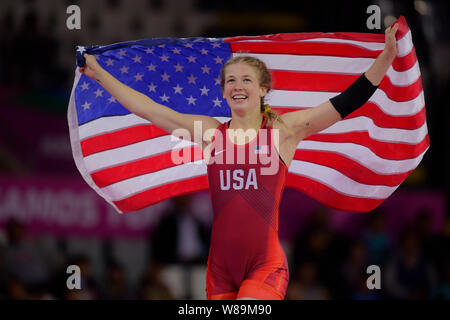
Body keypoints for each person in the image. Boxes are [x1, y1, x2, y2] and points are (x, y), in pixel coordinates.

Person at [79, 24, 399, 300]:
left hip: (266, 265)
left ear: (262, 89)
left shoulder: (283, 132)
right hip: (219, 270)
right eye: (230, 81)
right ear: (223, 92)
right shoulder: (209, 133)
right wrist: (99, 74)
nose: (237, 86)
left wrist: (385, 59)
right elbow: (151, 110)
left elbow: (344, 103)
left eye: (246, 80)